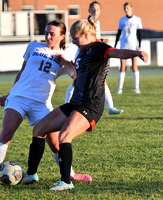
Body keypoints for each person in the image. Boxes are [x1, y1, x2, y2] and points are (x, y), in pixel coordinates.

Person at [21, 18, 148, 190]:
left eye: (75, 38)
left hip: (90, 106)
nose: (73, 41)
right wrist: (66, 63)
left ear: (86, 35)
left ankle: (66, 182)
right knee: (39, 129)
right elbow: (78, 72)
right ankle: (31, 175)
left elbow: (118, 53)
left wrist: (137, 53)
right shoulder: (82, 51)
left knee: (65, 136)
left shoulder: (99, 48)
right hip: (76, 102)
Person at [0, 20, 92, 188]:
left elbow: (76, 76)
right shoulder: (33, 47)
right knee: (6, 133)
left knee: (55, 142)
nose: (48, 36)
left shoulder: (65, 55)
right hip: (18, 98)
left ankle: (70, 175)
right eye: (46, 32)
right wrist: (9, 94)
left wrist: (67, 64)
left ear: (61, 36)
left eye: (52, 34)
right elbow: (22, 72)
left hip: (41, 103)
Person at [65, 1, 123, 115]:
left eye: (97, 9)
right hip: (84, 55)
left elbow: (94, 40)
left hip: (93, 55)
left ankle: (110, 107)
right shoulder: (85, 24)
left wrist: (102, 41)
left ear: (100, 11)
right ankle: (67, 105)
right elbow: (87, 41)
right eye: (93, 9)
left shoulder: (97, 23)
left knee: (101, 80)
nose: (95, 11)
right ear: (89, 10)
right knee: (76, 81)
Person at [114, 2, 143, 94]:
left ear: (131, 8)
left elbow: (139, 33)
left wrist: (139, 46)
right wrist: (115, 45)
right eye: (125, 8)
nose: (126, 10)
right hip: (123, 46)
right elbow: (118, 33)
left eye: (128, 8)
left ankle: (136, 88)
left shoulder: (137, 19)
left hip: (133, 46)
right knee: (122, 67)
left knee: (134, 66)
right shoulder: (121, 20)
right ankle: (119, 88)